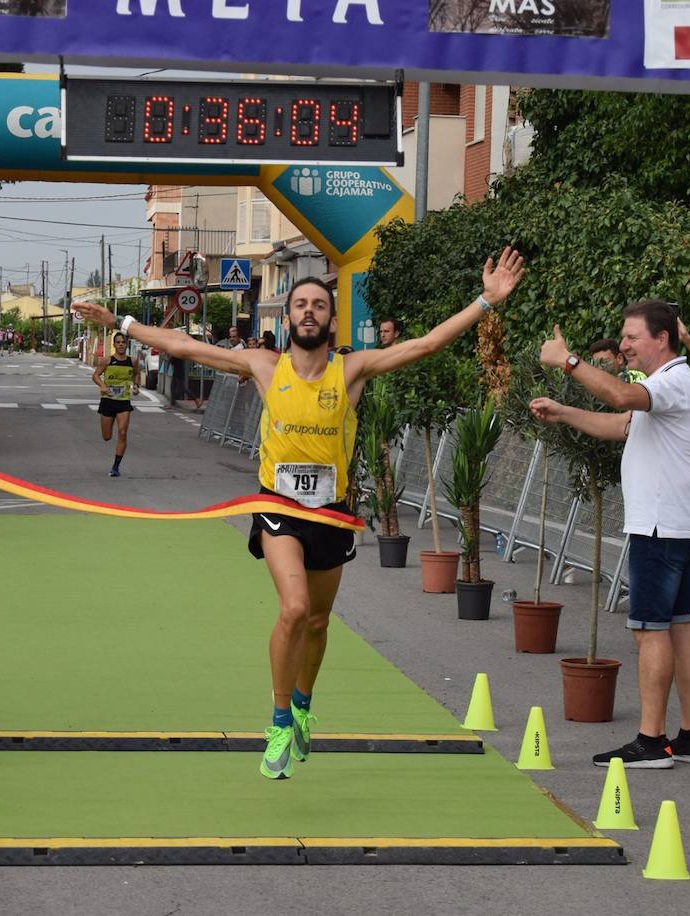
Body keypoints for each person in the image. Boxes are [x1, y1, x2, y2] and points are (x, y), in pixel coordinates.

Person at [73, 246, 525, 780]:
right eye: (300, 304)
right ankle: (280, 718)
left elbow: (427, 343)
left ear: (331, 318)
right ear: (286, 317)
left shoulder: (353, 369)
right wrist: (120, 321)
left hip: (330, 514)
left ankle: (305, 704)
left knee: (316, 619)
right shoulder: (264, 365)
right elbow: (182, 345)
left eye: (318, 304)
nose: (309, 311)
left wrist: (486, 302)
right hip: (278, 509)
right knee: (293, 609)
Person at [529, 299, 690, 770]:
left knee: (649, 630)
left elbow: (620, 399)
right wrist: (565, 412)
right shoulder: (668, 384)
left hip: (661, 527)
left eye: (632, 337)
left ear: (662, 339)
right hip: (680, 525)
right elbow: (620, 424)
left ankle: (651, 743)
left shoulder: (670, 381)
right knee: (678, 626)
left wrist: (568, 362)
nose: (625, 344)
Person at [92, 332, 142, 477]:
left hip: (124, 402)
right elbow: (95, 375)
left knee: (122, 433)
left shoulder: (132, 361)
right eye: (118, 342)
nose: (121, 344)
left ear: (127, 345)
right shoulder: (106, 361)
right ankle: (115, 463)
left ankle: (115, 467)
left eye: (123, 342)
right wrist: (102, 385)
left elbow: (136, 374)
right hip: (108, 401)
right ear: (114, 345)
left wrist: (136, 386)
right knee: (107, 436)